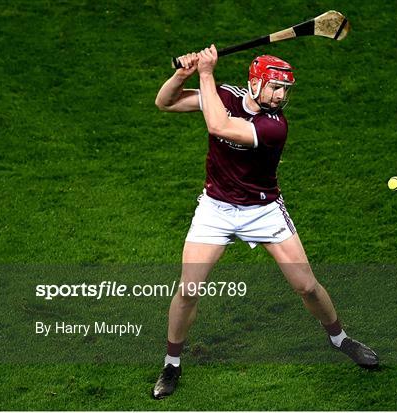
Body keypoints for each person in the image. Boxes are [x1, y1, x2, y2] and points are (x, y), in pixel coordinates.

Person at [152, 45, 379, 399]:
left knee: (306, 286)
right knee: (188, 290)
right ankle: (172, 363)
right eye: (275, 87)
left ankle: (340, 338)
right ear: (254, 84)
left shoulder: (275, 126)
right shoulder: (225, 95)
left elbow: (218, 125)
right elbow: (164, 103)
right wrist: (184, 73)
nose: (281, 95)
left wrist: (207, 73)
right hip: (216, 209)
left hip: (263, 210)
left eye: (285, 89)